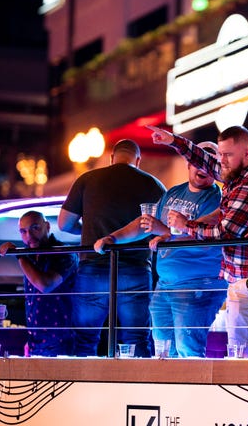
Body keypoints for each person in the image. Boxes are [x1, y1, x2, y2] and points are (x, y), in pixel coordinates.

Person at [150, 125, 248, 358]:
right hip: (240, 276)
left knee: (244, 353)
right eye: (221, 155)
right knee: (238, 350)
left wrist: (186, 225)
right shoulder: (236, 175)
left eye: (227, 155)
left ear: (246, 154)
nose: (222, 161)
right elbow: (205, 161)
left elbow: (223, 234)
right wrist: (173, 140)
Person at [93, 142, 226, 358]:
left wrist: (163, 230)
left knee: (188, 351)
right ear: (188, 162)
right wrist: (113, 238)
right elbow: (147, 222)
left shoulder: (218, 198)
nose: (202, 167)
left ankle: (193, 392)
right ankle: (172, 391)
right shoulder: (174, 192)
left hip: (198, 284)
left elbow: (205, 235)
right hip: (164, 284)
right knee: (163, 354)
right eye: (198, 161)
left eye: (209, 163)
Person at [58, 139, 166, 357]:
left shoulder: (88, 179)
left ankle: (83, 386)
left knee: (85, 338)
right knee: (136, 338)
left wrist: (91, 232)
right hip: (135, 269)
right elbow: (163, 228)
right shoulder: (154, 185)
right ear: (138, 160)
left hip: (93, 268)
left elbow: (64, 224)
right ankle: (138, 387)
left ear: (111, 158)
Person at [0, 211, 77, 357]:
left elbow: (44, 286)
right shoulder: (29, 255)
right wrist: (30, 340)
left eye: (35, 228)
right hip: (36, 341)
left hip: (61, 341)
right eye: (23, 231)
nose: (29, 236)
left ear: (47, 226)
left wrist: (19, 255)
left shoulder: (65, 253)